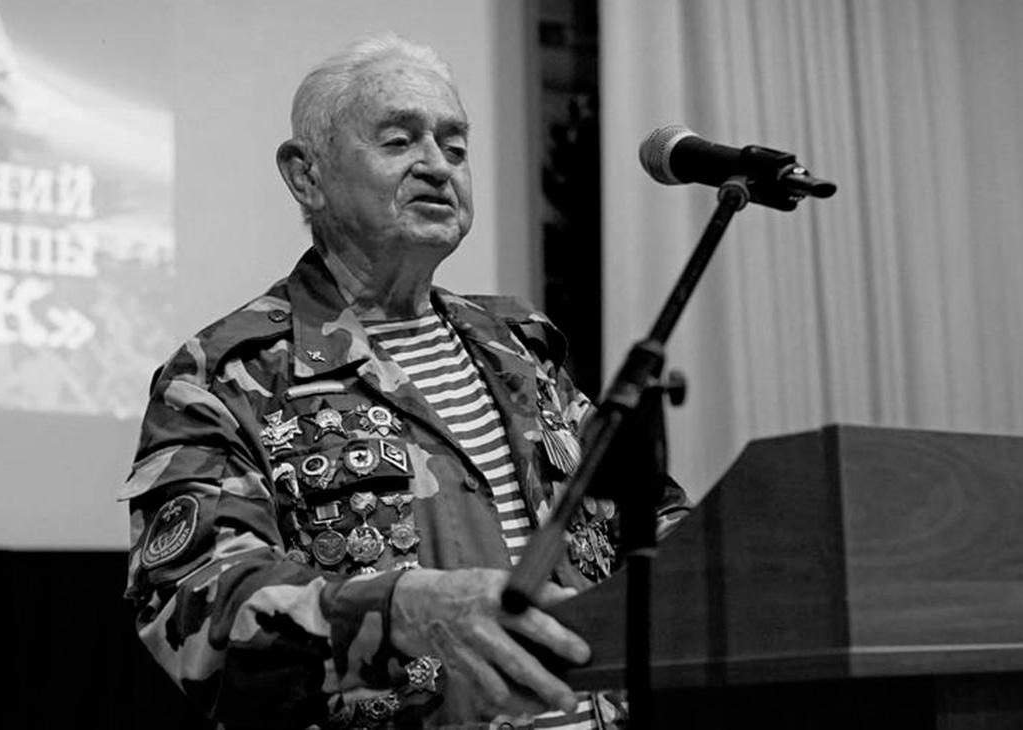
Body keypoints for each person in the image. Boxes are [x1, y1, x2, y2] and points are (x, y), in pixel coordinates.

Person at [121, 34, 689, 729]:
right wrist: (401, 610)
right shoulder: (223, 375)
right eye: (398, 142)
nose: (438, 167)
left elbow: (651, 525)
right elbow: (194, 610)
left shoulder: (521, 348)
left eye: (456, 147)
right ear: (306, 175)